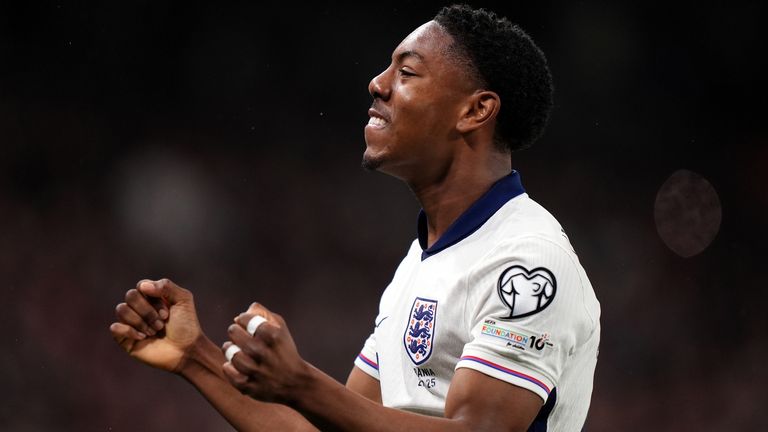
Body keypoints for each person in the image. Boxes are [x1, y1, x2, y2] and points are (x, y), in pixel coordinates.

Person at [110, 4, 600, 431]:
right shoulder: (424, 261)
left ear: (476, 110)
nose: (378, 83)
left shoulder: (526, 258)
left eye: (406, 73)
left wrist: (301, 383)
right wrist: (196, 356)